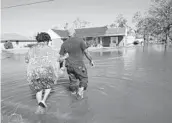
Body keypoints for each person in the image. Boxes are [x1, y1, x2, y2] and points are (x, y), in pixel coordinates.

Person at [25, 32, 67, 113]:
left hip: (33, 74)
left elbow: (26, 60)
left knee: (38, 89)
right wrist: (66, 56)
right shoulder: (51, 49)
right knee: (48, 86)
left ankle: (39, 103)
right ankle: (43, 100)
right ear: (46, 41)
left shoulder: (31, 50)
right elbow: (60, 59)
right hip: (47, 73)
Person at [59, 28, 94, 99]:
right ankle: (80, 91)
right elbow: (86, 52)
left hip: (68, 66)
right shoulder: (80, 41)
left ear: (68, 35)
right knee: (84, 79)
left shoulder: (64, 44)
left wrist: (61, 67)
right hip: (79, 65)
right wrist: (91, 60)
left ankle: (73, 95)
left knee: (73, 82)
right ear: (75, 33)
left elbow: (61, 57)